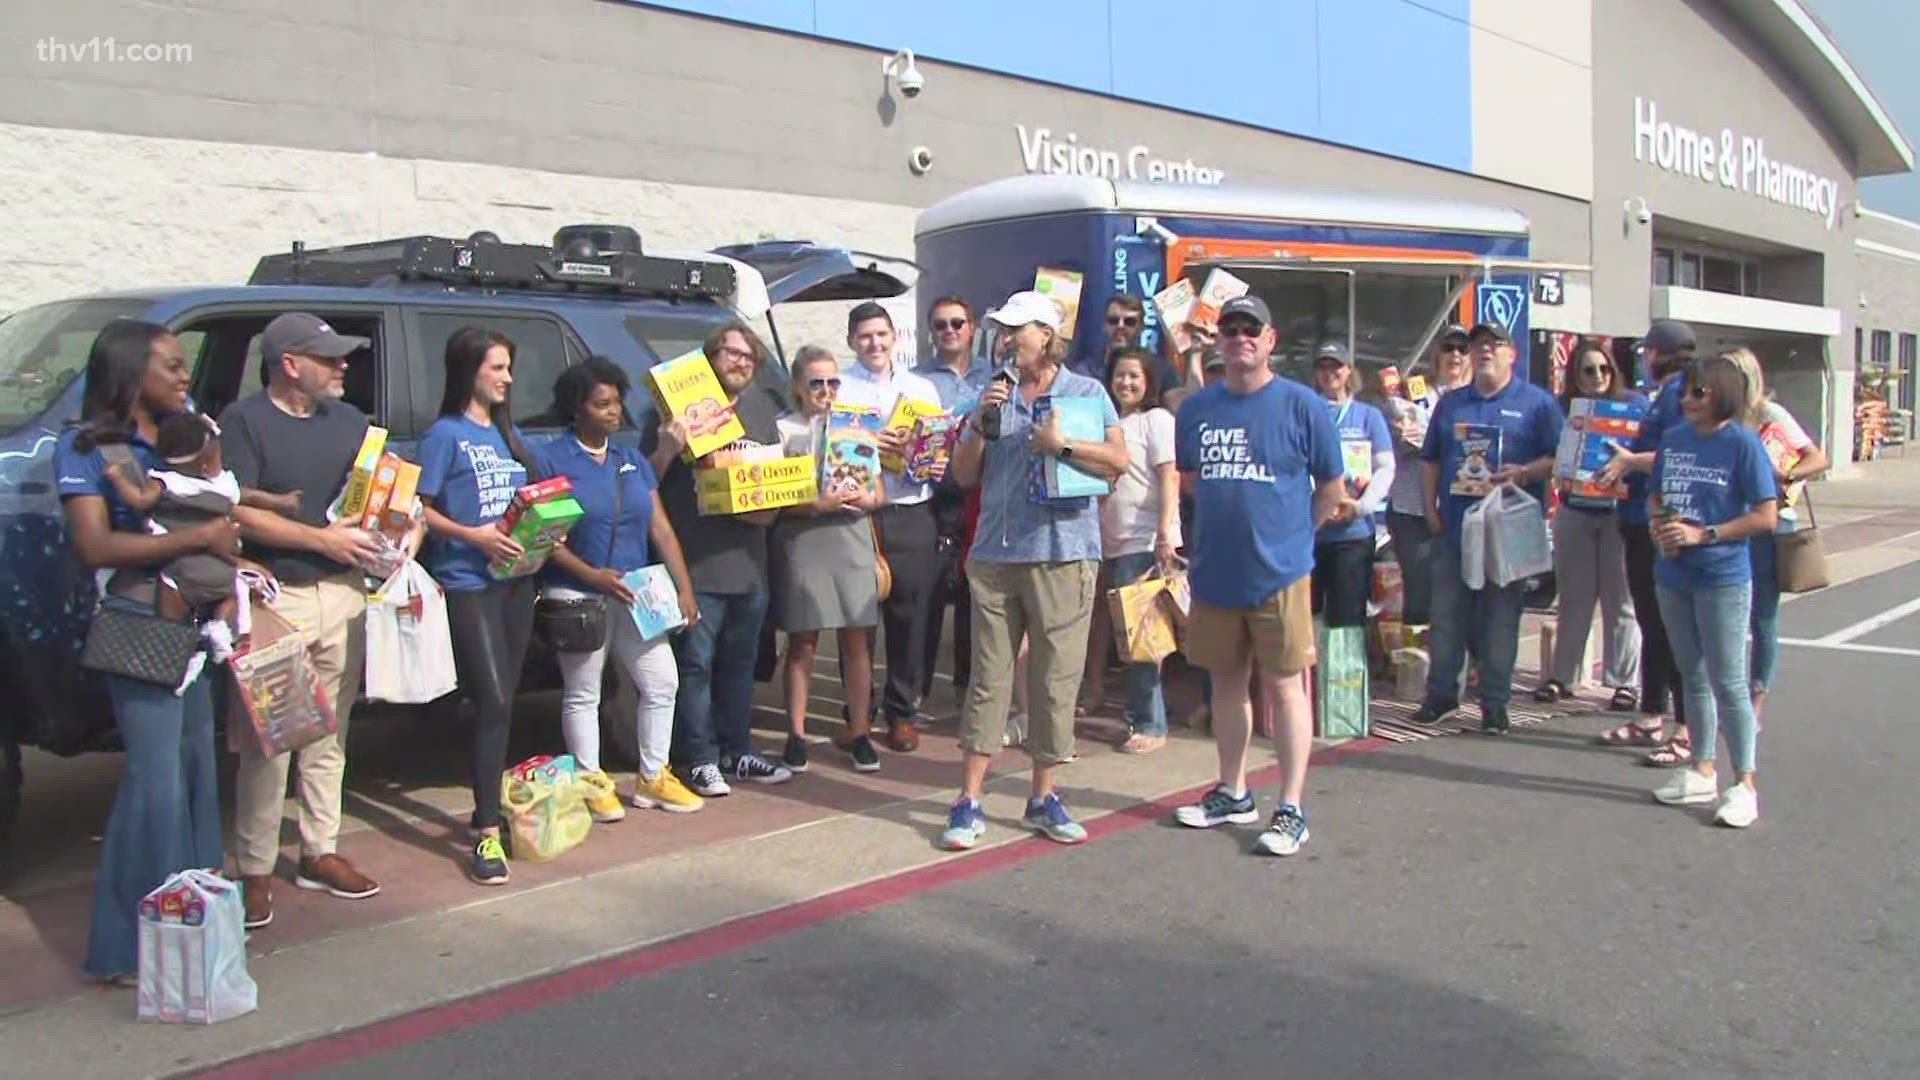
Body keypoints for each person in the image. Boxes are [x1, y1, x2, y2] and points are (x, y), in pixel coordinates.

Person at [59, 320, 238, 982]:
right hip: (139, 622)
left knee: (195, 773)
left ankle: (191, 931)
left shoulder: (187, 441)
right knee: (153, 784)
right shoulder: (92, 450)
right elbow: (97, 547)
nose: (184, 375)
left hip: (194, 625)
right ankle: (126, 948)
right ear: (132, 373)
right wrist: (200, 542)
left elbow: (230, 511)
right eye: (171, 365)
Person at [217, 312, 394, 928]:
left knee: (329, 735)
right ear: (289, 364)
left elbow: (376, 493)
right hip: (278, 599)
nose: (343, 365)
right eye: (329, 357)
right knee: (272, 741)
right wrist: (322, 540)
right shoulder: (243, 422)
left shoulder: (350, 422)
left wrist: (400, 525)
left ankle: (322, 851)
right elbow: (237, 510)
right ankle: (256, 866)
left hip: (342, 593)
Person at [941, 290, 1129, 850]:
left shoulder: (1087, 392)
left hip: (1063, 552)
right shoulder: (990, 392)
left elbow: (1119, 461)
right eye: (1001, 329)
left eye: (1016, 329)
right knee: (988, 680)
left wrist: (1063, 445)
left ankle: (1042, 795)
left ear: (1046, 335)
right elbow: (963, 475)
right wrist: (979, 423)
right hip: (995, 556)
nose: (1005, 339)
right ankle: (968, 799)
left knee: (1053, 681)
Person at [1169, 296, 1349, 856]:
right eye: (1231, 329)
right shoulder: (1198, 411)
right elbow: (1194, 480)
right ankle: (1233, 790)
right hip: (1216, 572)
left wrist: (1294, 537)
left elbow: (1332, 490)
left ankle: (1291, 807)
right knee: (1226, 683)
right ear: (1218, 340)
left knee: (1284, 687)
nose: (1241, 338)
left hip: (1281, 573)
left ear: (1270, 340)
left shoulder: (1302, 406)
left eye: (1252, 329)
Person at [534, 357, 705, 817]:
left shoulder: (630, 459)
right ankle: (591, 779)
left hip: (637, 592)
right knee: (584, 690)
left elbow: (662, 529)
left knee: (661, 681)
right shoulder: (551, 459)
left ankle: (653, 776)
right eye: (602, 403)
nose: (613, 412)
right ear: (577, 408)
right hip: (578, 591)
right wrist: (590, 575)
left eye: (617, 402)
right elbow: (542, 537)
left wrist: (684, 589)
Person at [416, 326, 542, 886]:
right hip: (468, 579)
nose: (507, 378)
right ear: (470, 371)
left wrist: (545, 531)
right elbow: (420, 512)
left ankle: (485, 805)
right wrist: (475, 536)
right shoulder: (445, 435)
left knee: (505, 701)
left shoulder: (507, 437)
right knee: (489, 698)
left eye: (509, 368)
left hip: (516, 583)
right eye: (497, 367)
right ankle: (486, 829)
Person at [646, 321, 793, 794]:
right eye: (731, 353)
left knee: (739, 665)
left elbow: (771, 481)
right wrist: (670, 445)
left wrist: (770, 512)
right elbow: (644, 482)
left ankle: (738, 749)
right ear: (709, 358)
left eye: (749, 356)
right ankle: (699, 758)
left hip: (750, 564)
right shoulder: (674, 409)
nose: (741, 361)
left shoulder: (762, 408)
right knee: (695, 667)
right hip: (698, 563)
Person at [1411, 322, 1565, 734]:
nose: (1484, 351)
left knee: (1500, 618)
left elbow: (1562, 456)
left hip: (1505, 528)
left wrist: (1525, 471)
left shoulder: (1537, 403)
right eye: (1478, 345)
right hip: (1456, 524)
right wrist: (1430, 509)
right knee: (1446, 615)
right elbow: (1430, 460)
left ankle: (1494, 703)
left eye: (1494, 345)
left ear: (1511, 354)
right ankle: (1441, 695)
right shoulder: (1452, 403)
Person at [1647, 352, 1777, 828]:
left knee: (1728, 680)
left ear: (1723, 394)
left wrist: (1707, 534)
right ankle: (1701, 768)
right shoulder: (1674, 439)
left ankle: (1744, 782)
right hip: (1673, 574)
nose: (1687, 400)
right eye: (1684, 391)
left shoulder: (1743, 443)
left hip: (1722, 574)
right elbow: (1656, 493)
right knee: (1691, 673)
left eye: (1697, 392)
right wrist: (1660, 525)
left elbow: (1765, 514)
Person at [772, 347, 887, 772]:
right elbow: (775, 497)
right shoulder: (782, 428)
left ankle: (860, 733)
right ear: (799, 386)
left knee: (857, 638)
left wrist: (866, 498)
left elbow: (879, 492)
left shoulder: (857, 427)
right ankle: (797, 735)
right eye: (816, 382)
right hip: (804, 537)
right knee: (803, 639)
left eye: (832, 382)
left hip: (850, 534)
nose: (825, 390)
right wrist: (814, 505)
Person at [840, 302, 945, 753]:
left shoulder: (921, 387)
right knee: (858, 619)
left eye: (881, 335)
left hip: (910, 507)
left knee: (909, 614)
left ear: (894, 337)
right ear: (851, 341)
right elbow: (831, 447)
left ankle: (902, 711)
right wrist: (867, 441)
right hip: (858, 511)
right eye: (865, 336)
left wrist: (917, 445)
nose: (875, 343)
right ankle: (857, 715)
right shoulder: (839, 386)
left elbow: (939, 447)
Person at [105, 412, 286, 663]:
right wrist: (282, 502)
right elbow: (250, 497)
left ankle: (176, 646)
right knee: (234, 593)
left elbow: (139, 500)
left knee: (172, 594)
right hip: (217, 566)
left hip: (181, 566)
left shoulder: (162, 480)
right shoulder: (220, 488)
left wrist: (118, 479)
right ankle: (221, 628)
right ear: (204, 466)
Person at [1596, 320, 1695, 757]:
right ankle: (1652, 714)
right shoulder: (1664, 395)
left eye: (1646, 352)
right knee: (1651, 623)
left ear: (1659, 352)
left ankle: (1686, 724)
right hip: (1637, 517)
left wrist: (1630, 461)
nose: (1643, 360)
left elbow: (1681, 452)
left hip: (1658, 521)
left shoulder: (1679, 394)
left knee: (1667, 624)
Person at [1534, 341, 1643, 709]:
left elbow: (1649, 453)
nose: (1597, 377)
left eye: (1603, 369)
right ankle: (1564, 677)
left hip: (1617, 512)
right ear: (1574, 375)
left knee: (1621, 599)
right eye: (1587, 370)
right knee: (1574, 599)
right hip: (1575, 510)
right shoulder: (1560, 410)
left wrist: (1627, 464)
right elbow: (1549, 455)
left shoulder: (1634, 406)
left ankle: (1624, 682)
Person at [1085, 347, 1181, 753]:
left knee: (1144, 640)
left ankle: (1151, 723)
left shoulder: (1155, 420)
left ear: (1149, 382)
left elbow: (1169, 477)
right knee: (1125, 639)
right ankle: (1132, 713)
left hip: (1143, 544)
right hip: (1108, 543)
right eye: (1120, 375)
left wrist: (1164, 534)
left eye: (1134, 376)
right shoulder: (1110, 425)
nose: (1125, 383)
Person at [1725, 347, 1827, 727]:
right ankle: (1730, 694)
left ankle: (1757, 698)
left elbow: (1817, 457)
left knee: (1762, 616)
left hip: (1771, 523)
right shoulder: (1720, 416)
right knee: (1728, 614)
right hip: (1732, 522)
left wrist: (1788, 476)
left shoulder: (1769, 414)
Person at [914, 296, 992, 710]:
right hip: (933, 495)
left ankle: (966, 686)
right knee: (927, 597)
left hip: (981, 496)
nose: (949, 331)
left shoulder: (994, 377)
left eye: (957, 323)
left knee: (974, 595)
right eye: (940, 325)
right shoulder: (917, 381)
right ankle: (917, 691)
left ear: (972, 327)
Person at [1383, 324, 1471, 626]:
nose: (1455, 354)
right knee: (1419, 595)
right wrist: (1398, 433)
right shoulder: (1413, 393)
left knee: (1460, 596)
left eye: (1462, 348)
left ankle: (1458, 668)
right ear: (1436, 353)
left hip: (1462, 510)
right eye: (1449, 348)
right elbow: (1392, 448)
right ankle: (1416, 669)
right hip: (1413, 509)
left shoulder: (1478, 400)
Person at [1310, 341, 1395, 633]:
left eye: (1336, 365)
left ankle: (1347, 678)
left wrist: (1361, 506)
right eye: (1323, 366)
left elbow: (1385, 467)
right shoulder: (1306, 411)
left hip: (1353, 534)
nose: (1329, 372)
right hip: (1310, 533)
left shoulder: (1368, 416)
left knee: (1347, 622)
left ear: (1349, 371)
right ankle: (1311, 679)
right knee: (1306, 620)